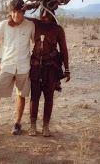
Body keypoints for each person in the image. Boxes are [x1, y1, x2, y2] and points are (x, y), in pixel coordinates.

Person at [0, 0, 35, 138]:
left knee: (21, 95)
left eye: (19, 12)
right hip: (7, 66)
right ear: (10, 12)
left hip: (23, 67)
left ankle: (17, 123)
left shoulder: (30, 25)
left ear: (24, 12)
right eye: (14, 12)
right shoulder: (4, 25)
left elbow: (36, 42)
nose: (16, 15)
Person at [27, 9, 70, 137]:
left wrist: (67, 69)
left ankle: (46, 126)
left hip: (51, 68)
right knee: (34, 97)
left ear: (53, 15)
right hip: (35, 66)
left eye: (47, 13)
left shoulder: (58, 29)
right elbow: (20, 16)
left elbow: (64, 50)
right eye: (42, 13)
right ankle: (33, 125)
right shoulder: (35, 24)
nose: (44, 16)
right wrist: (27, 7)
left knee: (49, 98)